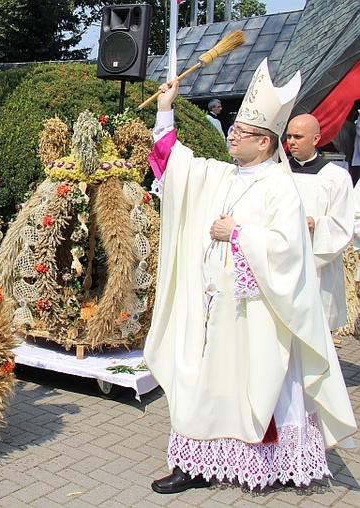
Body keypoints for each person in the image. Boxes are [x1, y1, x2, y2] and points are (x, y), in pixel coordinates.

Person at [144, 59, 356, 493]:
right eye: (234, 128)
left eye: (242, 131)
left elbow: (288, 251)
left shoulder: (280, 187)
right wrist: (166, 108)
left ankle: (266, 462)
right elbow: (176, 165)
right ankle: (195, 463)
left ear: (264, 143)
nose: (232, 134)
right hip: (213, 309)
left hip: (258, 313)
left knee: (255, 387)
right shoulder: (223, 175)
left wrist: (237, 234)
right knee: (203, 383)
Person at [287, 114, 353, 332]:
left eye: (298, 136)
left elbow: (343, 224)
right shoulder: (279, 172)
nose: (292, 142)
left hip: (318, 261)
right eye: (288, 137)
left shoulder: (336, 176)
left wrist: (316, 222)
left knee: (315, 329)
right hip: (284, 259)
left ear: (315, 139)